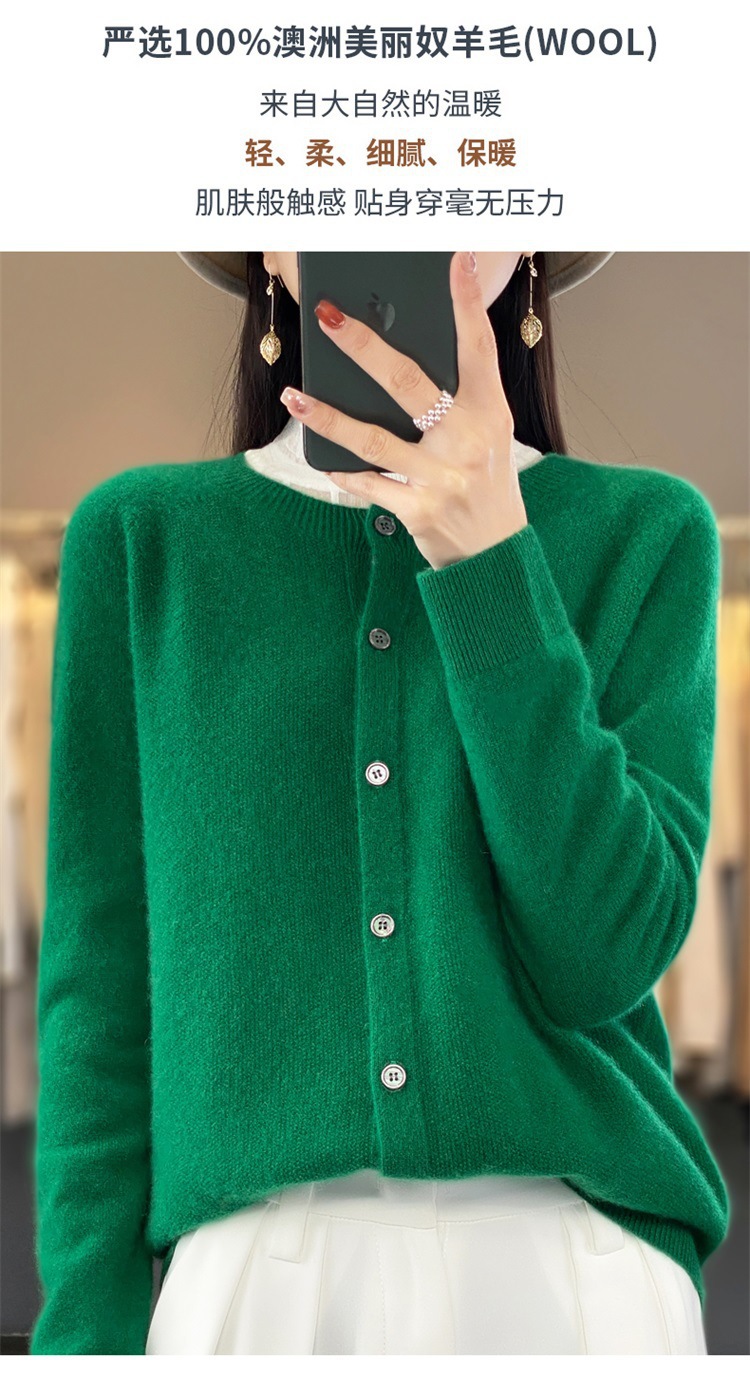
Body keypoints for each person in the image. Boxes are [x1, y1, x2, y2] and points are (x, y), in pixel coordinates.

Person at [30, 250, 730, 1355]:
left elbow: (606, 955)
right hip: (254, 1284)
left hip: (575, 1274)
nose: (399, 188)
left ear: (527, 231)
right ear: (267, 236)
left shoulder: (645, 534)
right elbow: (99, 989)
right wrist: (85, 1338)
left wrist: (490, 563)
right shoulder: (144, 540)